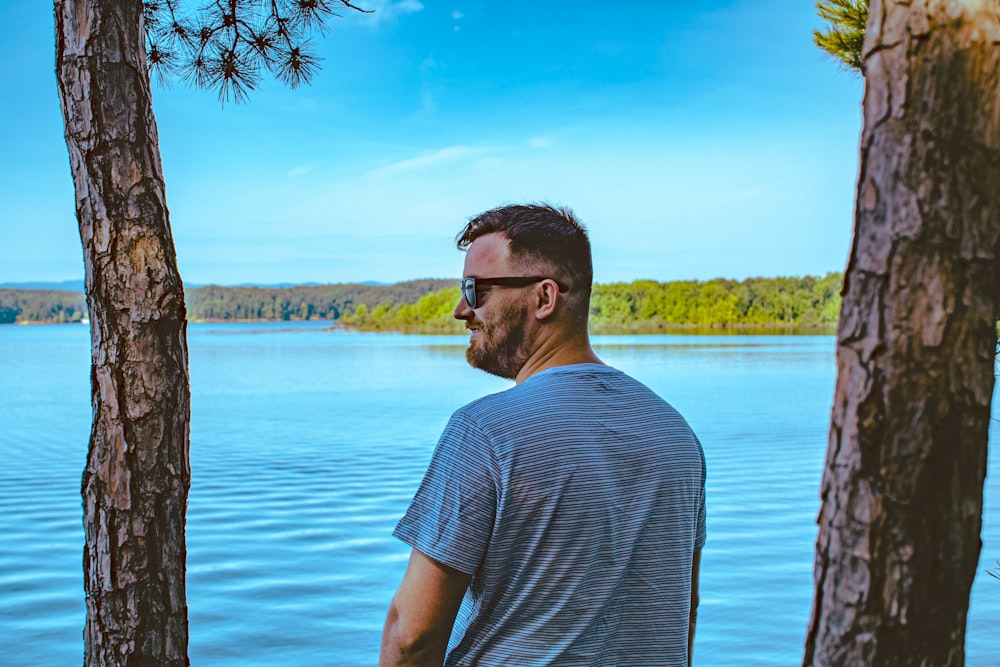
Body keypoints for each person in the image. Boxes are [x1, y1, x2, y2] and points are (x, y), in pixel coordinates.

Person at [379, 204, 706, 667]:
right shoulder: (676, 435)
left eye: (475, 290)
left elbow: (412, 634)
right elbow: (682, 614)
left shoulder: (484, 432)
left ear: (545, 297)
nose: (460, 310)